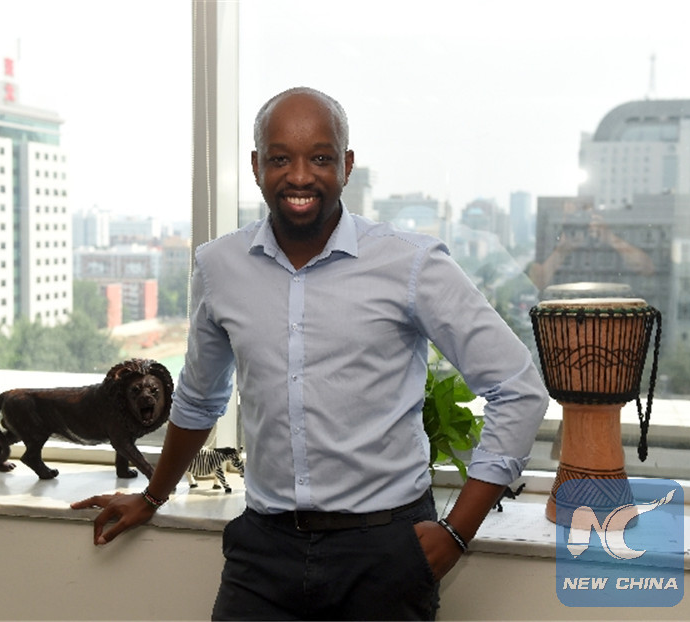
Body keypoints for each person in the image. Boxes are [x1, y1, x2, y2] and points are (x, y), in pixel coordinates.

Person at [72, 86, 549, 621]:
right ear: (257, 166)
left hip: (385, 551)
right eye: (281, 159)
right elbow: (200, 400)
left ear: (346, 165)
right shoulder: (218, 266)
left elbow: (518, 389)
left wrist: (457, 532)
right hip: (263, 550)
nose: (300, 176)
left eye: (320, 158)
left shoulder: (410, 263)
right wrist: (152, 496)